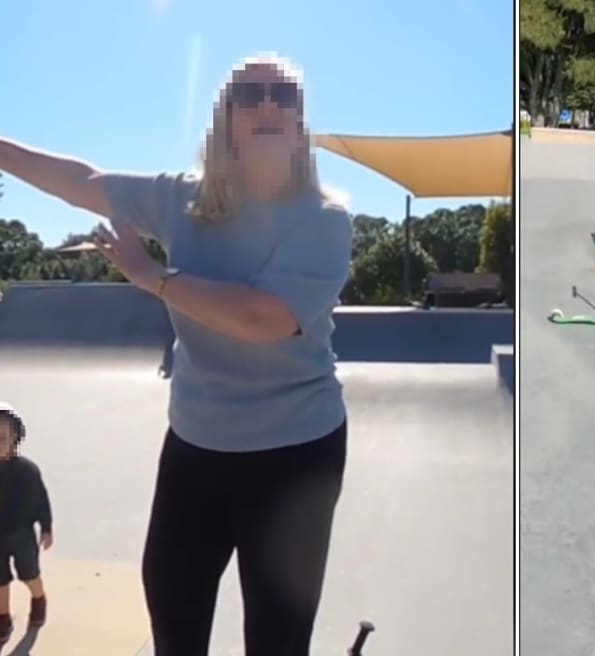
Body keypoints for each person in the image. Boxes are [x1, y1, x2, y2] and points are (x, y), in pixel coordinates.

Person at [0, 54, 353, 655]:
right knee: (172, 598)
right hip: (197, 444)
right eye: (251, 94)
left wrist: (150, 276)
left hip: (295, 456)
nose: (269, 103)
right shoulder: (182, 200)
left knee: (276, 630)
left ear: (299, 122)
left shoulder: (324, 219)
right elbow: (84, 183)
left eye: (284, 95)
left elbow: (263, 319)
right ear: (227, 119)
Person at [0, 403, 53, 644]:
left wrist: (47, 527)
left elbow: (41, 500)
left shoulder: (27, 470)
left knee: (29, 574)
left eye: (1, 438)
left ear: (14, 439)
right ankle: (3, 617)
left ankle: (39, 599)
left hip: (21, 535)